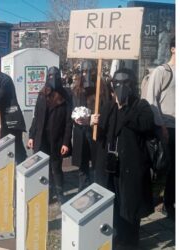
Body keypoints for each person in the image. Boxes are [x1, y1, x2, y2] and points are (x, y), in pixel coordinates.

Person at [91, 68, 154, 247]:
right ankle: (117, 238)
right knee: (114, 206)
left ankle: (131, 242)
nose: (120, 87)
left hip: (130, 169)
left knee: (130, 209)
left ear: (132, 85)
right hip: (110, 168)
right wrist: (92, 124)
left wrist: (125, 108)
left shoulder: (141, 106)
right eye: (117, 83)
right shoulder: (107, 107)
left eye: (125, 83)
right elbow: (99, 137)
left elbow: (146, 125)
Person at [27, 66, 72, 204]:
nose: (53, 80)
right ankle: (48, 191)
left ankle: (59, 193)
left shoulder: (65, 96)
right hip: (42, 137)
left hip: (57, 138)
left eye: (56, 76)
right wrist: (31, 136)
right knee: (43, 167)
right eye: (51, 76)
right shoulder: (42, 95)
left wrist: (66, 141)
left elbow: (68, 122)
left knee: (56, 167)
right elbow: (36, 117)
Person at [145, 37, 175, 220]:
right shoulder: (162, 71)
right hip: (167, 127)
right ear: (173, 48)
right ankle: (149, 200)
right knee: (160, 166)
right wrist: (160, 125)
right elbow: (151, 100)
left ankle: (169, 203)